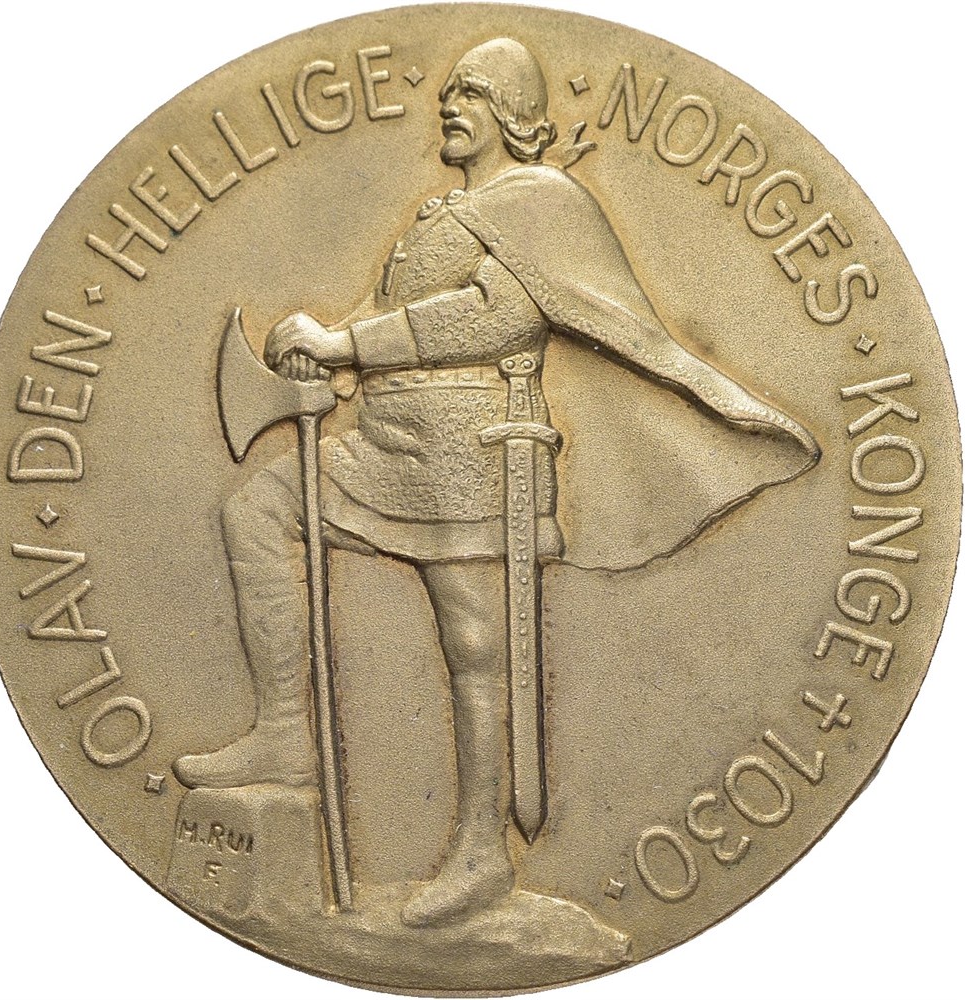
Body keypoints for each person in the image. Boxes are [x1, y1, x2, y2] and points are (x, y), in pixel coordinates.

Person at [173, 38, 819, 926]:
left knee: (475, 643)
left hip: (472, 451)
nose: (449, 106)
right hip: (388, 441)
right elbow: (400, 310)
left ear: (512, 113)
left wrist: (349, 342)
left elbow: (498, 317)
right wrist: (323, 342)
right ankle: (287, 733)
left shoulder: (541, 201)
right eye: (449, 92)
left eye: (469, 93)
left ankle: (481, 851)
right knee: (256, 507)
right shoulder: (442, 213)